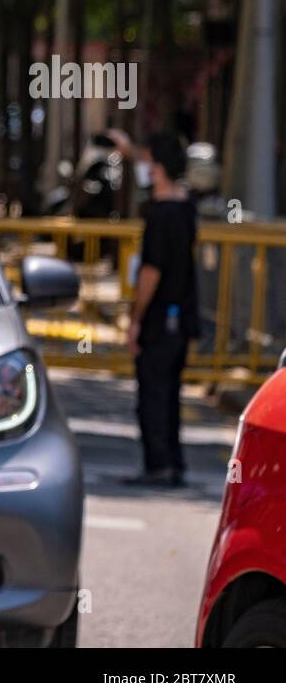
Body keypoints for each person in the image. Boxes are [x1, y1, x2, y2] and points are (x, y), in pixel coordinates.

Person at [109, 128, 199, 487]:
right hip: (183, 317)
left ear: (158, 168)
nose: (143, 169)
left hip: (160, 318)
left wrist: (135, 318)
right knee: (171, 393)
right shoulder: (186, 207)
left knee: (153, 394)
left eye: (147, 163)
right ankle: (173, 463)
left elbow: (151, 271)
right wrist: (130, 148)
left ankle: (157, 464)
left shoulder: (159, 216)